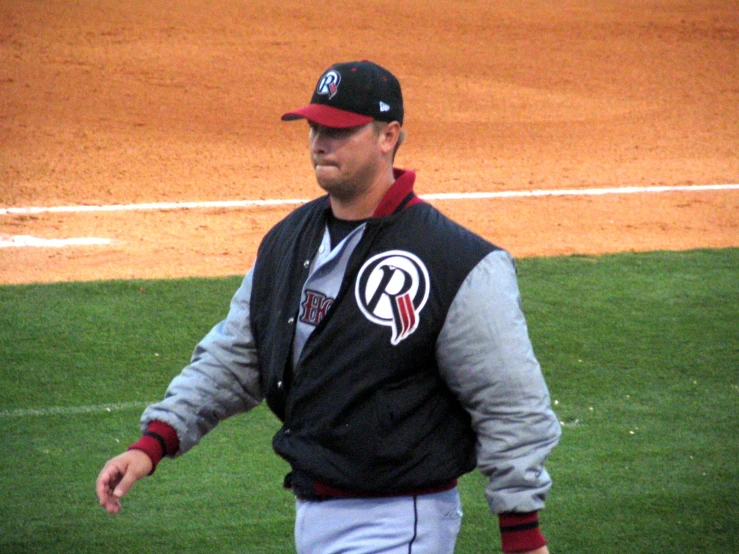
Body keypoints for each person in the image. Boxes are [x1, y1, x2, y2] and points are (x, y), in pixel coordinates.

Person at [96, 60, 561, 554]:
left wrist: (522, 532)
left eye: (339, 130)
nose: (320, 141)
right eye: (316, 126)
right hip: (313, 511)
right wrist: (154, 443)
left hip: (397, 520)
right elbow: (237, 355)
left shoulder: (456, 261)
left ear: (389, 136)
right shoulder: (289, 240)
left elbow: (510, 404)